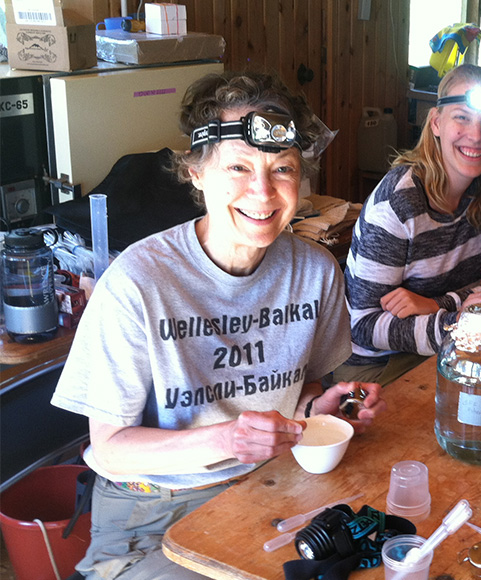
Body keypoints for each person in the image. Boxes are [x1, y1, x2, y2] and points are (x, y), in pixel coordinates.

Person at [50, 71, 386, 580]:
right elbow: (111, 449)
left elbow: (302, 387)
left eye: (283, 169)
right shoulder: (139, 282)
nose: (263, 191)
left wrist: (317, 409)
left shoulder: (314, 271)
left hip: (267, 487)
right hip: (152, 512)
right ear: (195, 173)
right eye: (238, 166)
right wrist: (226, 441)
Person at [339, 64, 481, 385]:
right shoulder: (399, 202)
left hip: (449, 346)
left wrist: (440, 305)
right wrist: (456, 323)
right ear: (436, 122)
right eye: (461, 117)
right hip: (374, 366)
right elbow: (363, 324)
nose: (476, 136)